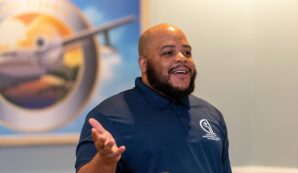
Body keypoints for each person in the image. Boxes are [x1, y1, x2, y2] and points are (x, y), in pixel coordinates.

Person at [75, 23, 232, 173]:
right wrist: (106, 159)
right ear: (144, 64)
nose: (181, 58)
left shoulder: (211, 115)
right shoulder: (107, 116)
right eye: (168, 53)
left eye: (187, 52)